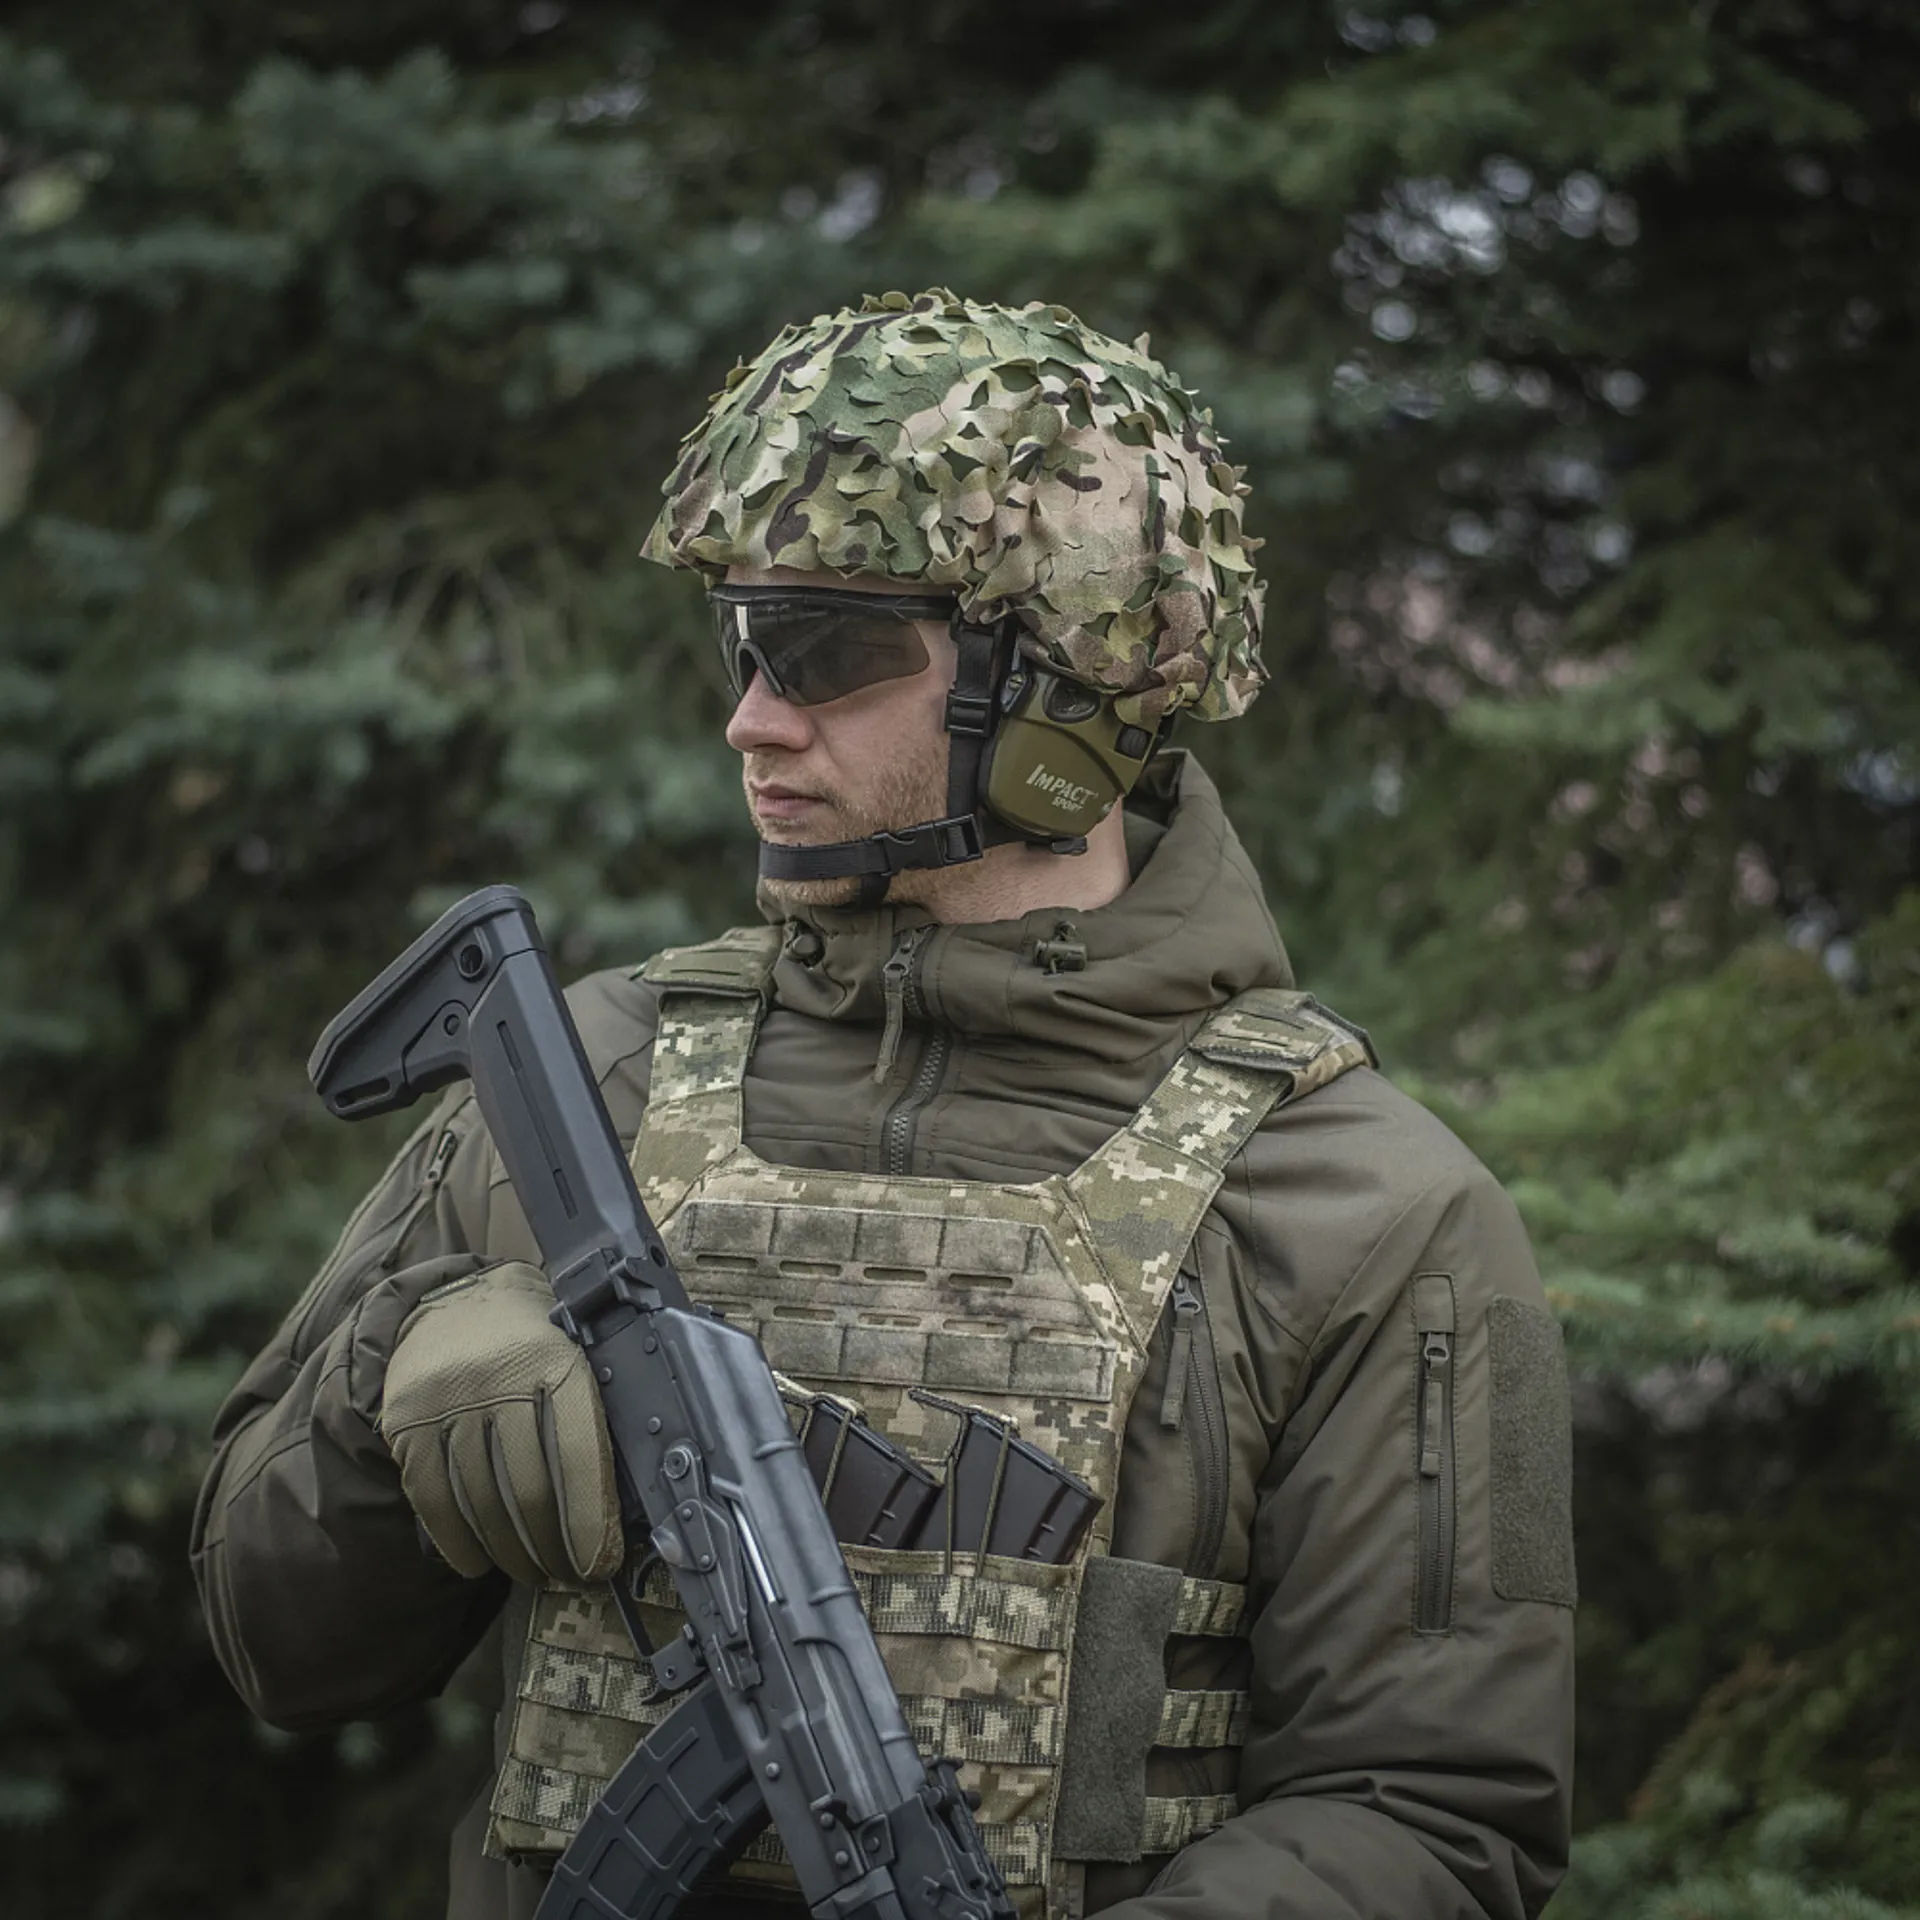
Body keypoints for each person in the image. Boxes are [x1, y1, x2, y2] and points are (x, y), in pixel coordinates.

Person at [192, 289, 1575, 1920]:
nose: (753, 719)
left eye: (830, 654)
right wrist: (387, 1378)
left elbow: (1432, 1815)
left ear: (1064, 689)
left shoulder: (1361, 1205)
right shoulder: (589, 1087)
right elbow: (272, 1646)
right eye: (744, 643)